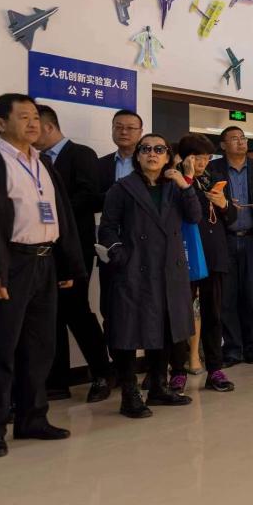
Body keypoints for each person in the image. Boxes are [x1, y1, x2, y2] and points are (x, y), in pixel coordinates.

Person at [0, 93, 84, 457]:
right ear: (0, 123)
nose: (34, 124)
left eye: (36, 118)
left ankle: (32, 418)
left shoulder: (43, 162)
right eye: (25, 117)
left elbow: (61, 215)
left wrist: (66, 264)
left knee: (39, 348)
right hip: (9, 265)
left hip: (45, 263)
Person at [98, 134, 202, 417]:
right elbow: (107, 228)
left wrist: (186, 184)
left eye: (159, 149)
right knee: (128, 331)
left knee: (165, 328)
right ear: (138, 156)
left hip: (169, 269)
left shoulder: (175, 187)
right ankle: (129, 393)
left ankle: (158, 386)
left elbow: (194, 217)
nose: (152, 154)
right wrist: (119, 254)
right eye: (146, 149)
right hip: (135, 269)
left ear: (168, 156)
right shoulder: (122, 188)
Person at [34, 105, 112, 404]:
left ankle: (102, 373)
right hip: (43, 251)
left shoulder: (80, 154)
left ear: (48, 126)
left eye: (33, 125)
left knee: (77, 312)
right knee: (50, 316)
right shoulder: (34, 160)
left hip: (74, 249)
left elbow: (88, 197)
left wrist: (47, 212)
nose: (30, 133)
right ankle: (57, 381)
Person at [167, 134, 236, 393]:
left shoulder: (212, 179)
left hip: (213, 255)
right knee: (180, 315)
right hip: (184, 255)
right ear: (185, 157)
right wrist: (186, 179)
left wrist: (224, 204)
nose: (202, 163)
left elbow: (231, 217)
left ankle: (215, 369)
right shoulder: (172, 179)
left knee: (213, 314)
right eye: (198, 158)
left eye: (207, 158)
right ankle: (177, 370)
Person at [207, 126, 253, 366]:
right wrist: (224, 204)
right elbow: (205, 200)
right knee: (227, 299)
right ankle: (232, 350)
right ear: (223, 145)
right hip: (224, 240)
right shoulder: (213, 169)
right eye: (234, 138)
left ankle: (250, 346)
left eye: (243, 138)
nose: (240, 142)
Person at [96, 109, 143, 349]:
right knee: (111, 308)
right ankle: (119, 364)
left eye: (130, 128)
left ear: (140, 132)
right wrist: (115, 197)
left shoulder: (150, 163)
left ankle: (151, 364)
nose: (124, 132)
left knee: (146, 308)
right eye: (118, 127)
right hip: (111, 246)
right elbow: (93, 200)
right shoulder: (101, 164)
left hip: (145, 247)